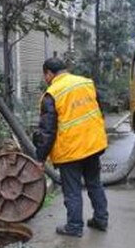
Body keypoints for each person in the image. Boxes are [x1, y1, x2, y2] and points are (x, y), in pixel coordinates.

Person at [33, 57, 109, 237]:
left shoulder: (52, 94)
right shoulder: (86, 83)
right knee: (94, 183)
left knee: (72, 190)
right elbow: (99, 110)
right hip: (93, 144)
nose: (45, 79)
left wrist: (40, 158)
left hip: (71, 150)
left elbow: (47, 130)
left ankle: (74, 227)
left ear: (50, 73)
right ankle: (101, 219)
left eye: (45, 75)